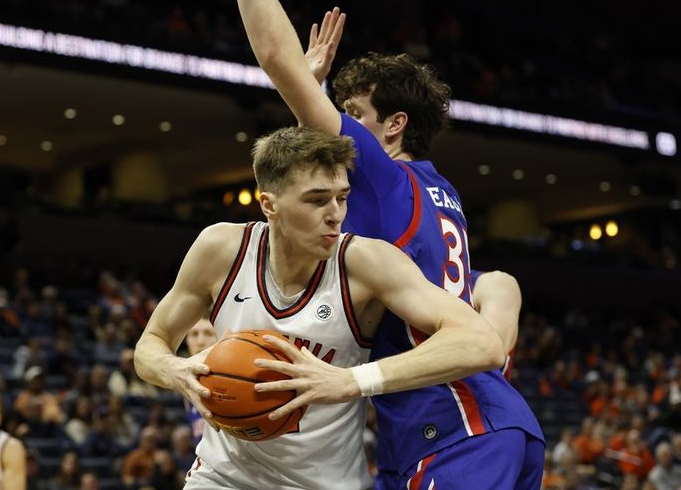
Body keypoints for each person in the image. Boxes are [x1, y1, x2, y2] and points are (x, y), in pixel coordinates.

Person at [191, 0, 545, 488]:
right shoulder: (439, 195)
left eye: (352, 114)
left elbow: (276, 56)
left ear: (393, 126)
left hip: (453, 426)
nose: (339, 124)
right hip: (473, 425)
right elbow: (491, 294)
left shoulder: (383, 176)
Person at [134, 125, 508, 489]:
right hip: (223, 475)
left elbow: (483, 344)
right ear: (269, 205)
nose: (335, 213)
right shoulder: (221, 249)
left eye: (342, 197)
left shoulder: (366, 262)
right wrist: (174, 370)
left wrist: (352, 381)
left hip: (327, 482)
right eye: (316, 200)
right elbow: (152, 342)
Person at [183, 318, 217, 445]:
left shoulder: (237, 378)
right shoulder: (185, 382)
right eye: (194, 334)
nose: (200, 341)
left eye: (208, 333)